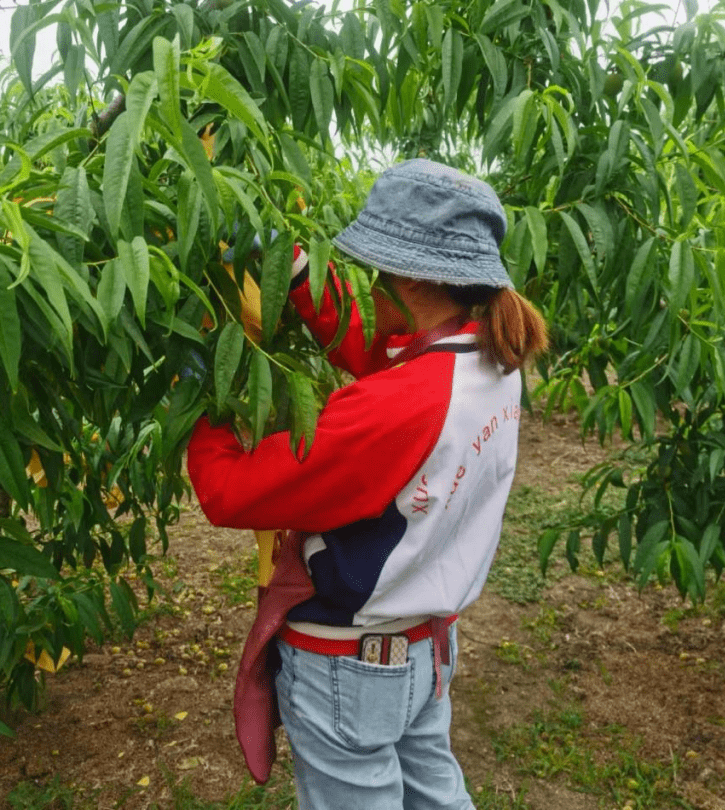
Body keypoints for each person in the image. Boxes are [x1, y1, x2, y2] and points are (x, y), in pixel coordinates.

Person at [186, 159, 549, 810]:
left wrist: (201, 393)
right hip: (424, 651)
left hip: (348, 667)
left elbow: (230, 490)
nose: (368, 284)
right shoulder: (493, 360)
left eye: (375, 272)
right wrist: (290, 269)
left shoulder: (402, 407)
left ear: (409, 276)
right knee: (437, 797)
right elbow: (373, 348)